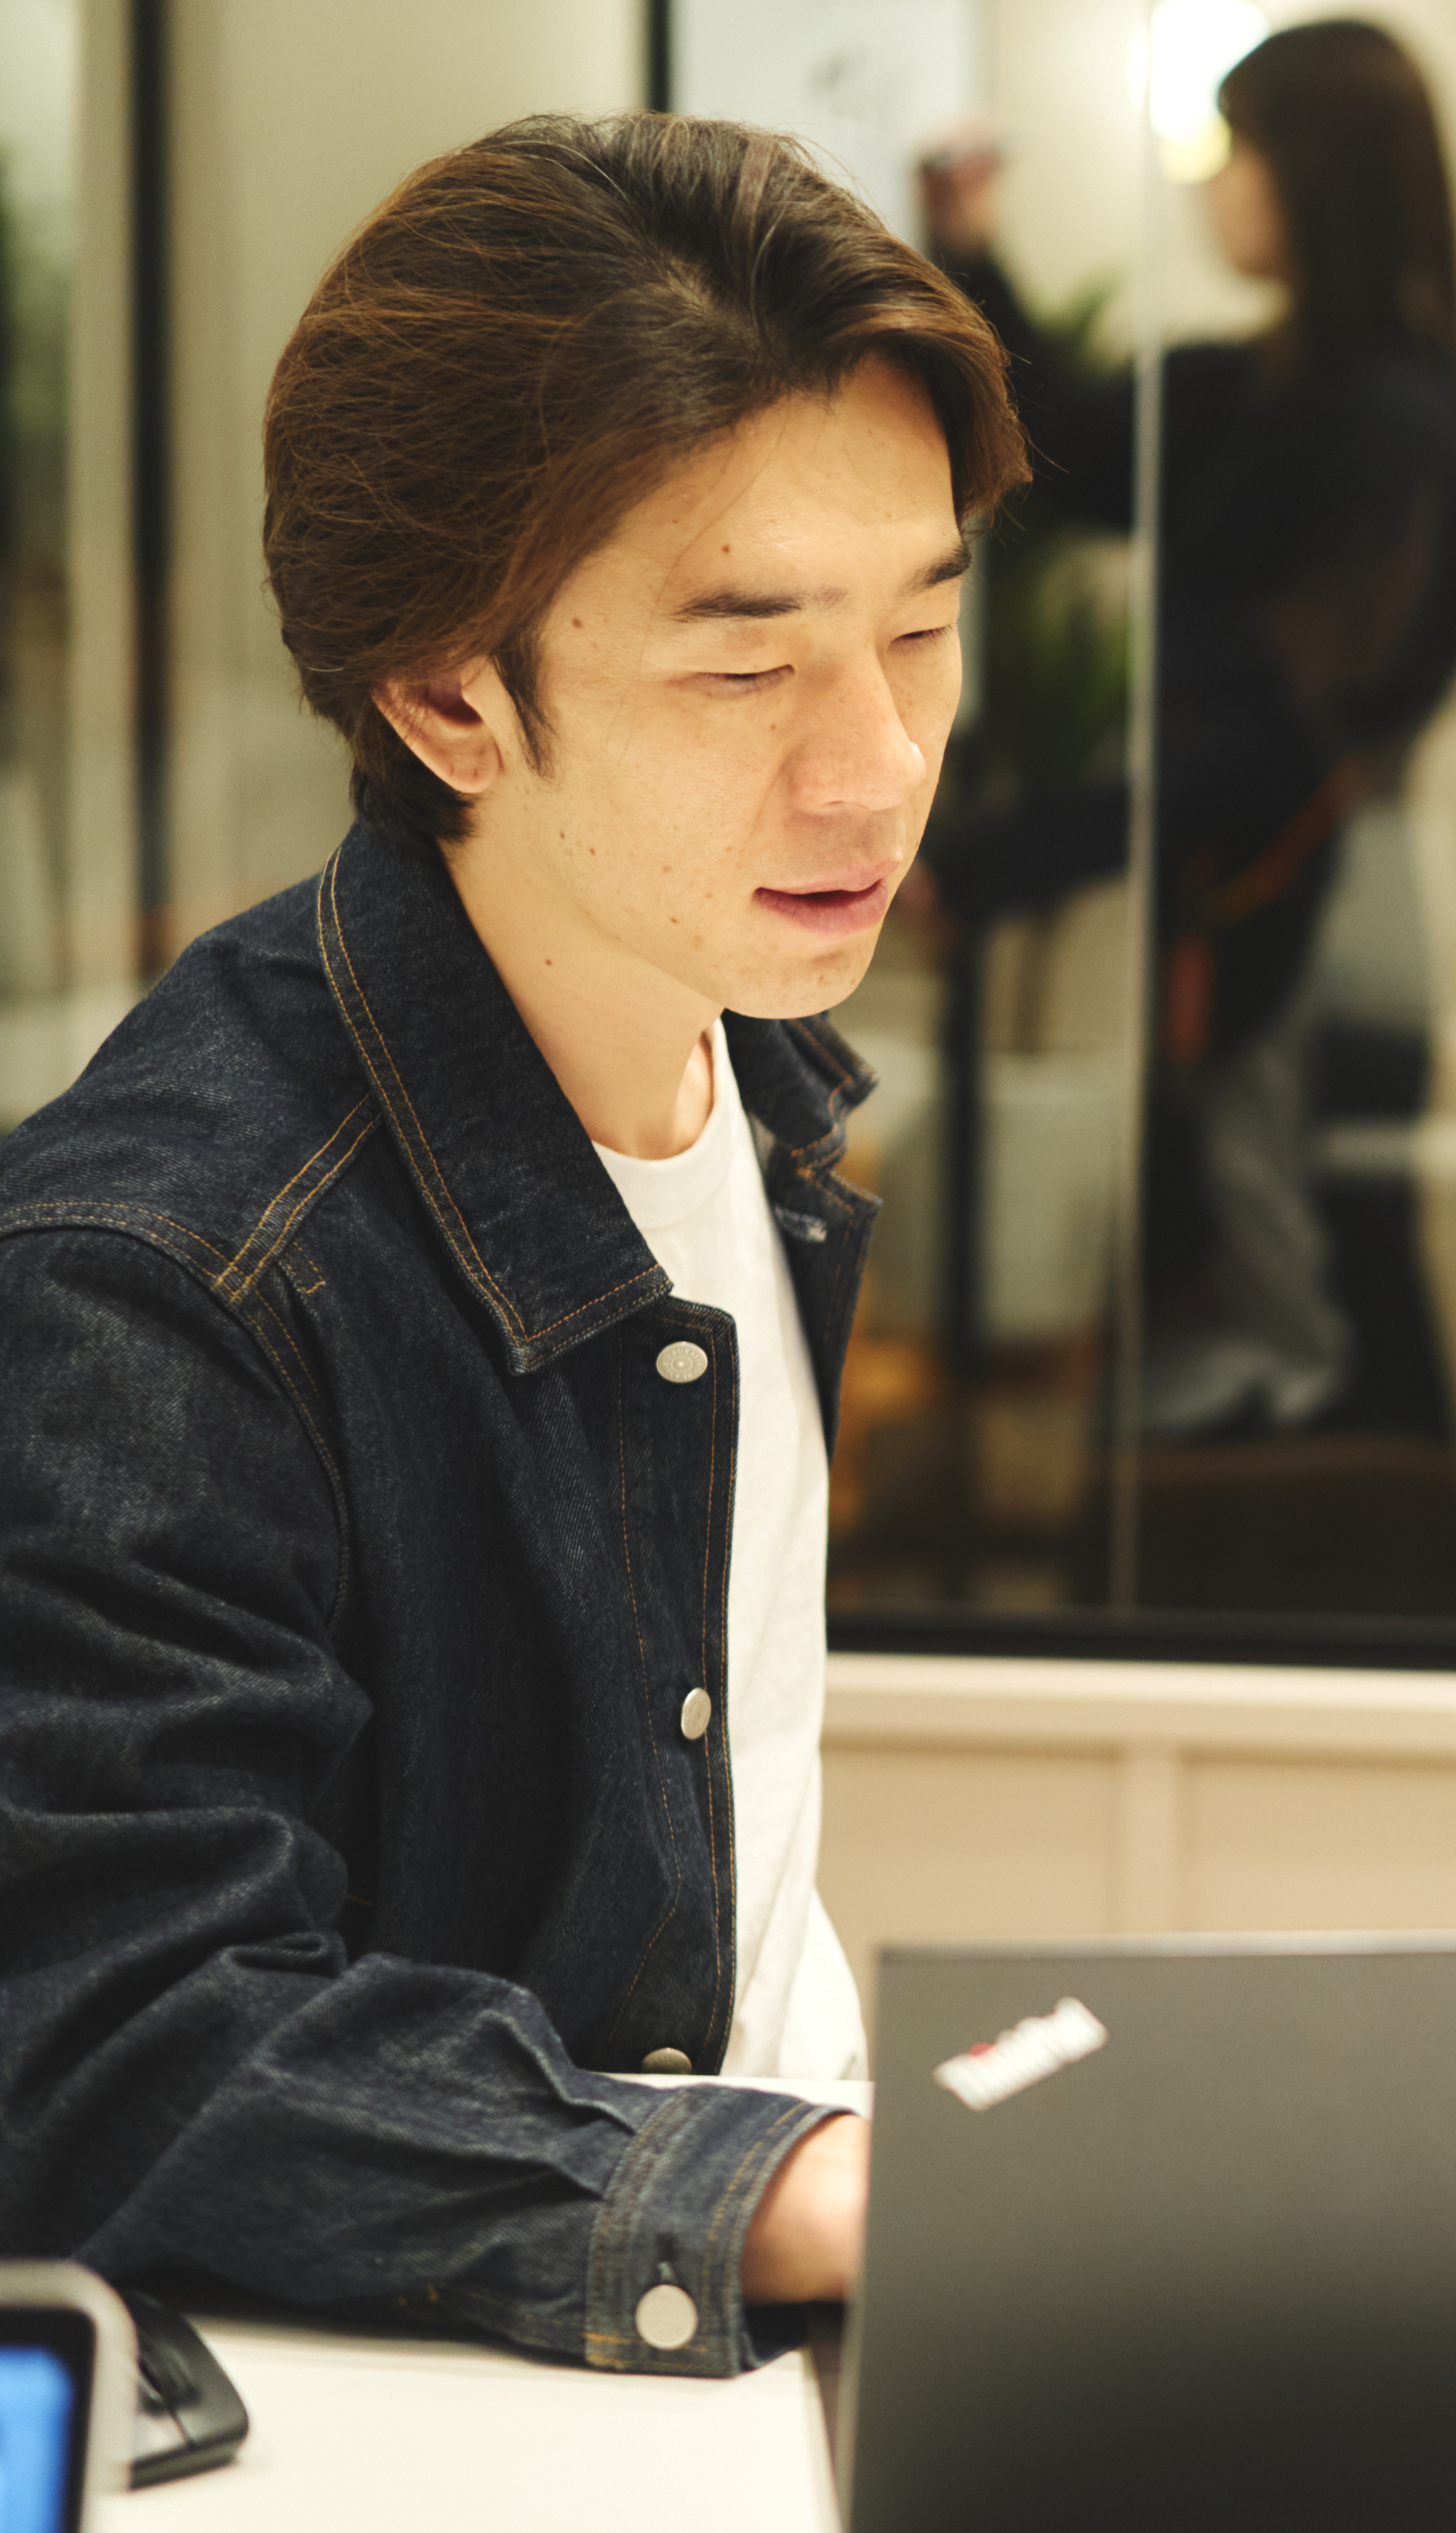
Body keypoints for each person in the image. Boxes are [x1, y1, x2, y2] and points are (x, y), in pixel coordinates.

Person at [0, 114, 1024, 2370]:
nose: (878, 765)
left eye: (924, 629)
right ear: (450, 696)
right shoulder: (161, 1270)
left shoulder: (753, 1076)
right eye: (748, 669)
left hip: (748, 2339)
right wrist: (789, 2189)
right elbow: (117, 2041)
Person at [919, 15, 1456, 1437]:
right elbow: (1064, 438)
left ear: (1318, 177)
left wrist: (998, 861)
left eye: (1239, 152)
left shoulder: (1387, 424)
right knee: (1270, 1272)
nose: (1211, 185)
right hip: (1267, 901)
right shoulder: (1265, 391)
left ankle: (1359, 1567)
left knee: (1313, 1311)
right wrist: (966, 245)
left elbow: (1267, 754)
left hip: (1318, 913)